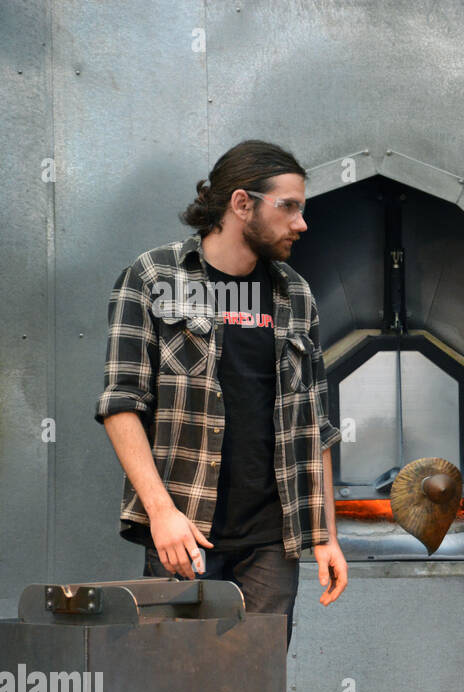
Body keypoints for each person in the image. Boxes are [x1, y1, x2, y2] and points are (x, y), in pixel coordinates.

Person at [95, 139, 348, 646]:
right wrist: (161, 513)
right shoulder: (153, 278)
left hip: (271, 544)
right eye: (289, 207)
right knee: (176, 689)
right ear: (241, 204)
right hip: (185, 531)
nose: (301, 223)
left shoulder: (295, 294)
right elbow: (121, 405)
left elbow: (314, 426)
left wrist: (325, 535)